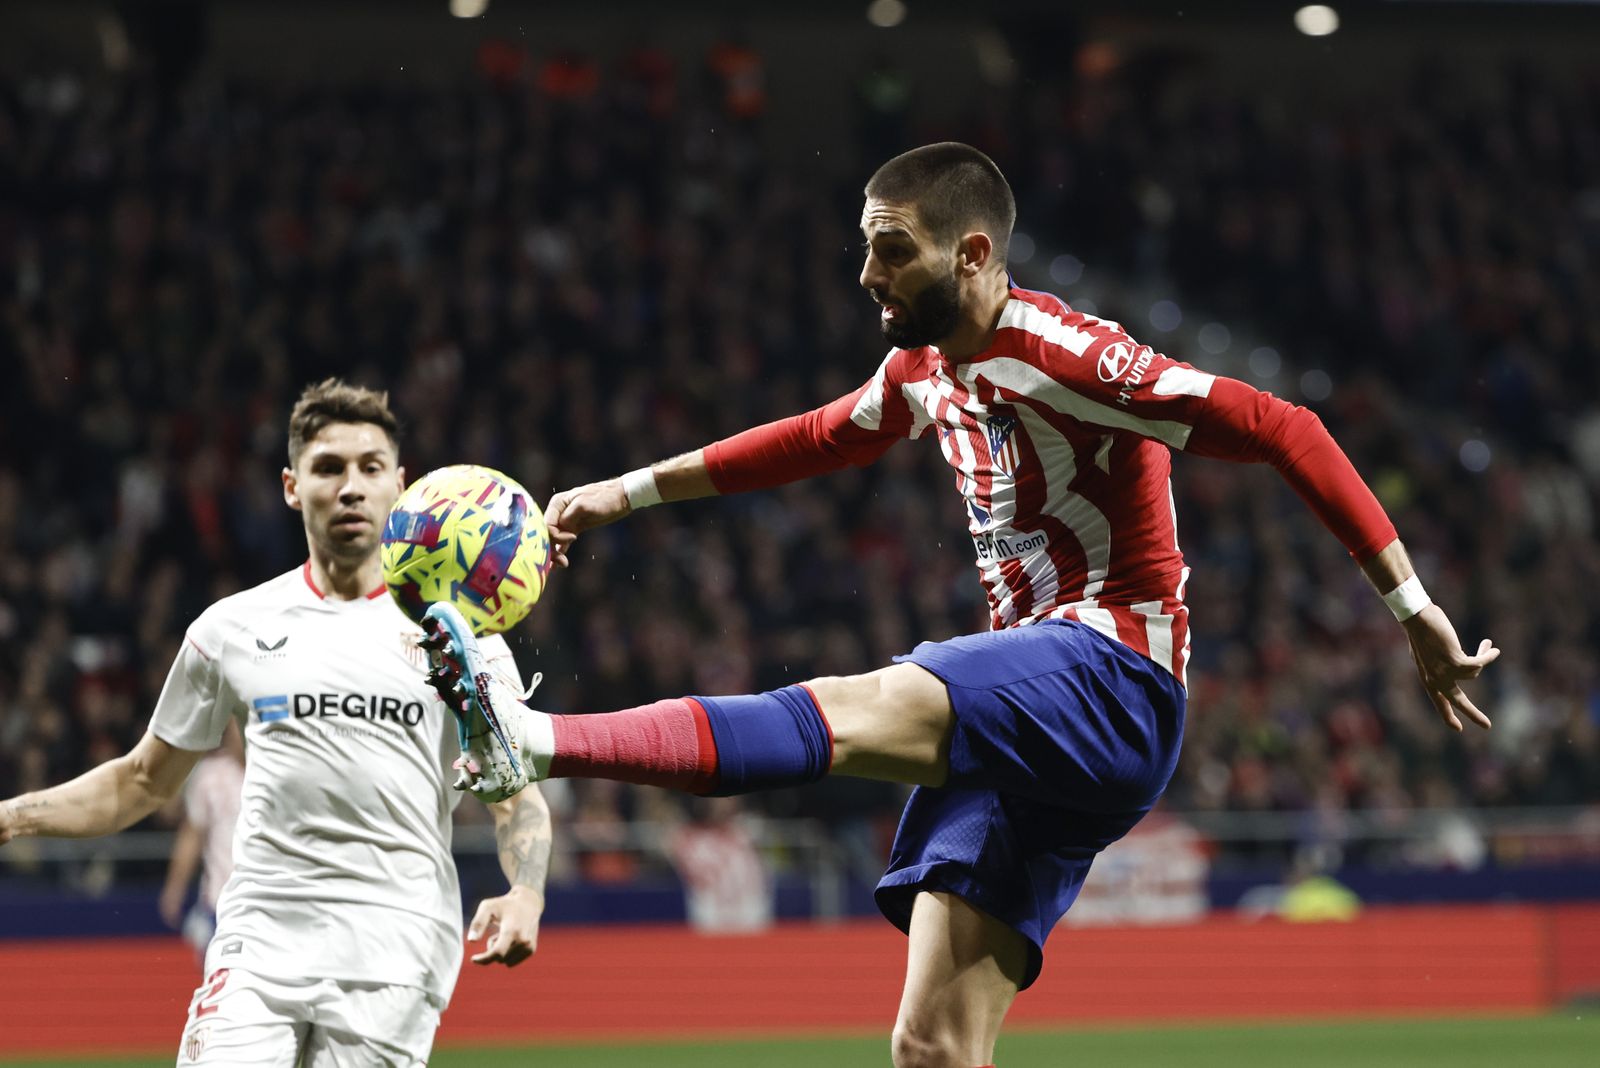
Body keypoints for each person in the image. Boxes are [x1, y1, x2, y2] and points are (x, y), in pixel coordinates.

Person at [426, 143, 1498, 1068]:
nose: (866, 272)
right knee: (931, 1046)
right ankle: (537, 738)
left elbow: (1283, 425)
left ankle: (533, 737)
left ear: (971, 254)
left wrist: (1410, 608)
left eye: (891, 247)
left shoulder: (1070, 357)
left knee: (848, 711)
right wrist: (627, 491)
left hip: (1110, 677)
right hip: (1040, 732)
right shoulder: (921, 369)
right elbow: (814, 435)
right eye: (865, 246)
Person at [0, 379, 553, 1067]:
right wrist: (11, 817)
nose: (351, 487)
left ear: (401, 486)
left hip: (396, 953)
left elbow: (515, 796)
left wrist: (526, 892)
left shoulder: (465, 639)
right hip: (257, 944)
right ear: (293, 487)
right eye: (329, 468)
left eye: (370, 468)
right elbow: (141, 781)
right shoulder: (232, 628)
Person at [158, 718, 245, 967]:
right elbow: (192, 834)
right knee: (219, 979)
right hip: (220, 901)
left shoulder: (278, 776)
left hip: (268, 901)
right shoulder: (210, 776)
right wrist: (174, 888)